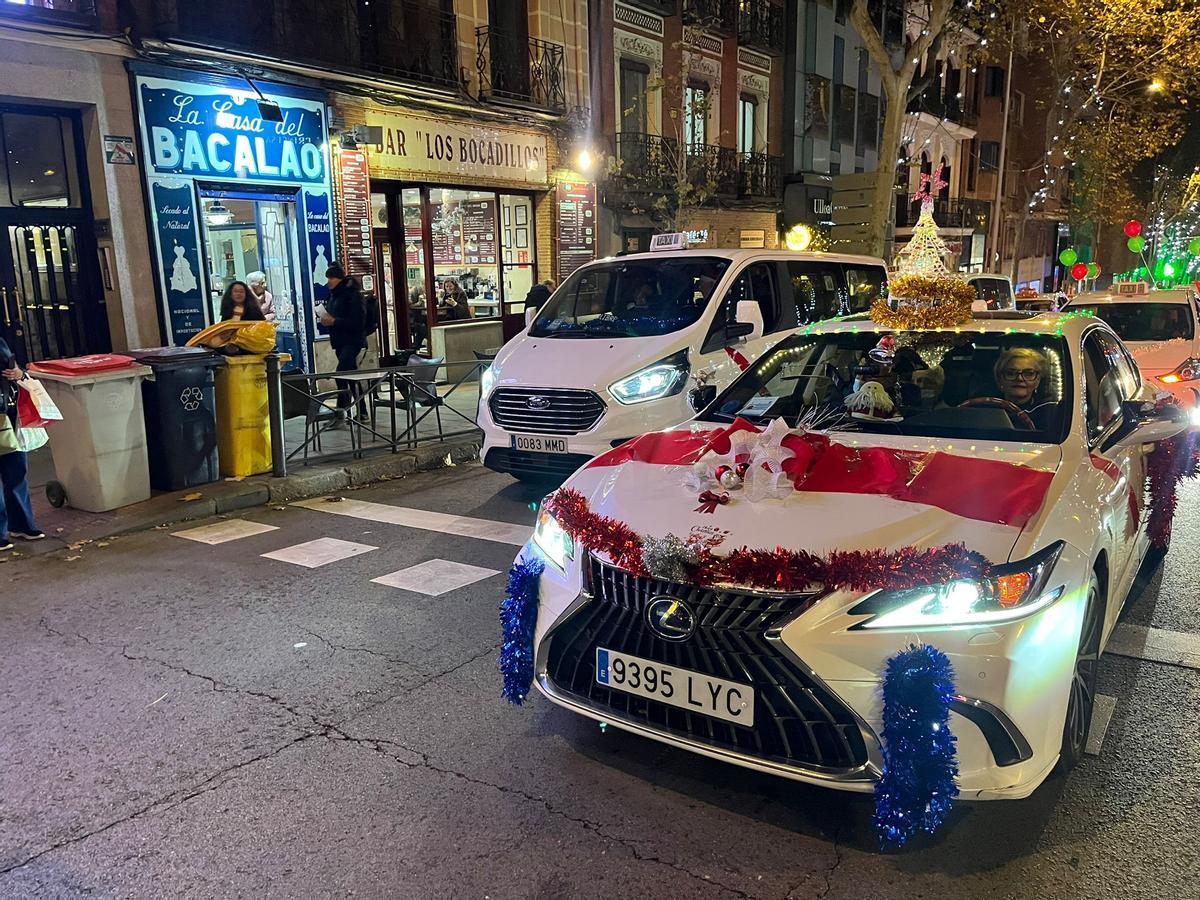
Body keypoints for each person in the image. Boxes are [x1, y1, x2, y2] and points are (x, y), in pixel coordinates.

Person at [0, 338, 44, 551]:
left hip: (10, 418)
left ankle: (22, 525)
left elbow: (17, 370)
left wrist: (18, 374)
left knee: (16, 472)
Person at [321, 262, 367, 420]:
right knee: (351, 376)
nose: (328, 282)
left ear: (339, 279)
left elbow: (357, 322)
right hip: (339, 341)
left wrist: (334, 321)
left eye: (331, 278)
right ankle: (362, 411)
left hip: (352, 340)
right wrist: (325, 318)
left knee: (341, 373)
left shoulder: (352, 295)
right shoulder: (333, 295)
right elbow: (333, 315)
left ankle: (341, 410)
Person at [993, 347, 1057, 427]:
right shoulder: (984, 409)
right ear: (1000, 379)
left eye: (1029, 374)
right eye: (1011, 373)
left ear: (1038, 380)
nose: (1019, 379)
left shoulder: (1049, 413)